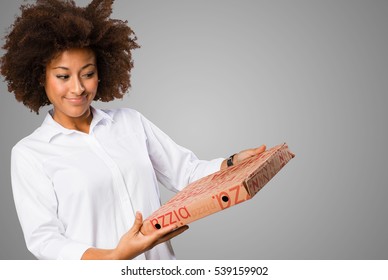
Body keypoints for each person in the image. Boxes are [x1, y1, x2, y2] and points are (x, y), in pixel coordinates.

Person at [0, 0, 266, 260]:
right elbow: (45, 240)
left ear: (101, 72)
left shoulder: (130, 122)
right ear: (40, 77)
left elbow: (186, 172)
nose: (78, 88)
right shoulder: (30, 154)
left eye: (88, 73)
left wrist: (231, 164)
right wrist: (115, 257)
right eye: (63, 76)